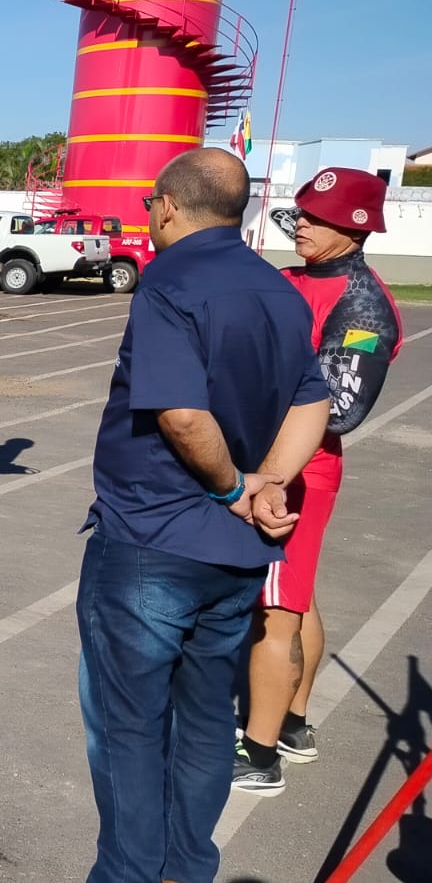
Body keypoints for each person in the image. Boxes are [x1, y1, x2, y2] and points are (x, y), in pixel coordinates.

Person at [77, 148, 331, 883]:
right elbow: (313, 398)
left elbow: (182, 416)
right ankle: (189, 865)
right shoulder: (279, 290)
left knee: (128, 727)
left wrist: (232, 485)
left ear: (165, 204)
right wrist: (268, 484)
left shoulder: (170, 281)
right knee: (205, 721)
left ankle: (127, 873)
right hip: (233, 553)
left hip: (154, 539)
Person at [233, 167, 403, 795]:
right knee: (297, 596)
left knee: (275, 612)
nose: (299, 223)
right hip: (272, 459)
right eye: (301, 212)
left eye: (317, 216)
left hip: (297, 470)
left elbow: (339, 409)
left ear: (355, 229)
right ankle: (296, 723)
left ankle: (260, 752)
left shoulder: (363, 308)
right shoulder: (293, 279)